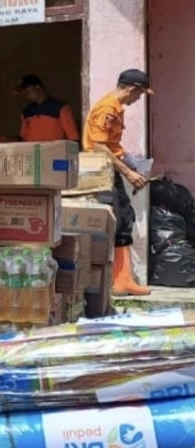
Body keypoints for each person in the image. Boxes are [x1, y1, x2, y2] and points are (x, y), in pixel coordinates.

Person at [83, 68, 153, 296]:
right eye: (139, 95)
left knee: (125, 217)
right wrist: (128, 173)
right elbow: (99, 146)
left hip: (110, 168)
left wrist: (133, 165)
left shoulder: (115, 108)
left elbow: (112, 145)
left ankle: (123, 279)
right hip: (101, 172)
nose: (138, 99)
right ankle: (118, 280)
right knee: (119, 218)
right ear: (132, 89)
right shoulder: (108, 108)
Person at [15, 74, 80, 142]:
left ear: (38, 87)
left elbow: (73, 138)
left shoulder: (61, 108)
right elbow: (22, 138)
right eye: (24, 93)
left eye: (28, 91)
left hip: (55, 152)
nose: (26, 95)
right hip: (32, 152)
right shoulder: (26, 112)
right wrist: (8, 140)